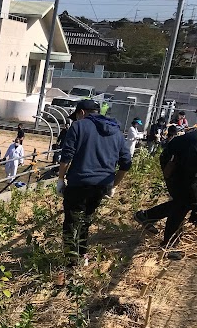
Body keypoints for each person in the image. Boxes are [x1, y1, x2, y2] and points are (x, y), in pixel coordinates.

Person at [57, 99, 132, 262]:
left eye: (76, 115)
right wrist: (114, 185)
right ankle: (83, 255)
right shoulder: (117, 132)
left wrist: (60, 179)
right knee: (86, 219)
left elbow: (66, 155)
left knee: (72, 221)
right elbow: (126, 162)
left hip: (79, 182)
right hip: (101, 185)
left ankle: (71, 262)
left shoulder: (78, 126)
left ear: (82, 112)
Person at [135, 129, 197, 260]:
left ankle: (147, 216)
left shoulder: (190, 139)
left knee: (183, 204)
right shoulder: (192, 142)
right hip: (179, 173)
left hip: (180, 171)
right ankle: (169, 245)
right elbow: (189, 173)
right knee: (183, 204)